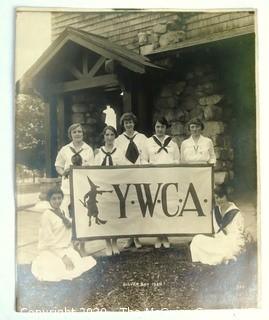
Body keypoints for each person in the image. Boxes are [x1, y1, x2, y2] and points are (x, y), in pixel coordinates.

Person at [31, 188, 96, 281]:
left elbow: (69, 225)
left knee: (77, 264)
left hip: (65, 248)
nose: (57, 201)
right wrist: (63, 257)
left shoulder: (62, 212)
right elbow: (48, 241)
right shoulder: (46, 216)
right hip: (50, 250)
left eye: (59, 198)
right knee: (57, 269)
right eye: (54, 199)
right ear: (49, 200)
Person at [55, 123, 95, 255]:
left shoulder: (88, 149)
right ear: (70, 134)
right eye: (74, 132)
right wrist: (63, 173)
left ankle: (82, 245)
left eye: (79, 132)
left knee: (83, 215)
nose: (77, 134)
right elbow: (58, 166)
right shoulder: (65, 149)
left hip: (82, 187)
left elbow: (92, 169)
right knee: (66, 215)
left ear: (83, 134)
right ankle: (70, 244)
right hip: (67, 188)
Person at [142, 117, 180, 249]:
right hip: (154, 180)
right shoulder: (148, 142)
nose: (160, 129)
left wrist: (168, 166)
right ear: (154, 128)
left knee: (167, 207)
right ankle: (158, 235)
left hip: (168, 180)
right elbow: (143, 161)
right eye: (157, 127)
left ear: (166, 128)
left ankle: (166, 235)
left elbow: (177, 161)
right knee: (156, 208)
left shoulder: (173, 143)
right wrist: (153, 167)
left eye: (162, 127)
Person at [190, 184, 247, 265]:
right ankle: (222, 258)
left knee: (226, 251)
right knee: (197, 239)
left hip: (231, 244)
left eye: (221, 197)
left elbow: (238, 236)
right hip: (218, 242)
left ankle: (224, 257)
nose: (219, 200)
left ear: (226, 196)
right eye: (216, 198)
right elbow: (217, 232)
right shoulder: (215, 211)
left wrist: (236, 248)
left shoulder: (236, 213)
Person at [114, 112, 147, 249]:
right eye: (126, 123)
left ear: (134, 123)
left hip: (139, 175)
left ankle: (137, 237)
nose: (129, 125)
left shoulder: (142, 138)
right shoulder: (118, 140)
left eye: (131, 122)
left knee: (138, 206)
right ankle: (129, 237)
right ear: (123, 125)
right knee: (127, 206)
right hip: (126, 176)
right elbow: (117, 158)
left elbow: (146, 156)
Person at [94, 126, 126, 256]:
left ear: (115, 136)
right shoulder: (99, 153)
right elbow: (94, 170)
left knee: (114, 216)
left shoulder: (120, 151)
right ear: (104, 136)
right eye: (107, 135)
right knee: (105, 216)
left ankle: (114, 242)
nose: (109, 137)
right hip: (103, 188)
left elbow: (124, 169)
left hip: (115, 187)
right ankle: (107, 243)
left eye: (112, 134)